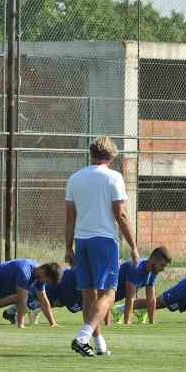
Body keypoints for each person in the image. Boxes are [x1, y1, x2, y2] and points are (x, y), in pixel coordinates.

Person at [64, 136, 140, 357]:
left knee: (88, 294)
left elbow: (70, 218)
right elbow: (121, 214)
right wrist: (133, 246)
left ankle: (98, 344)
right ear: (112, 156)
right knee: (109, 294)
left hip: (82, 241)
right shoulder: (113, 177)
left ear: (92, 154)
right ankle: (83, 336)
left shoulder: (75, 178)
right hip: (104, 241)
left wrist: (68, 247)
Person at [0, 259, 62, 328]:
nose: (45, 283)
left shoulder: (38, 273)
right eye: (46, 281)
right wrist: (21, 324)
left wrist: (53, 323)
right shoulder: (25, 272)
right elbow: (22, 301)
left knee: (20, 296)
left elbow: (43, 300)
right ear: (43, 271)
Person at [111, 246, 172, 324]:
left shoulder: (153, 271)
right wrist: (127, 322)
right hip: (104, 296)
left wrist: (152, 322)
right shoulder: (136, 268)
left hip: (114, 298)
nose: (163, 269)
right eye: (162, 265)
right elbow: (130, 299)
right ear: (153, 260)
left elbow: (151, 299)